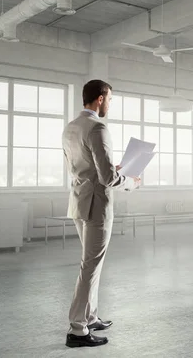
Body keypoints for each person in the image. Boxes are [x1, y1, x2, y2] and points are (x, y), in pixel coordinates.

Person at [62, 79, 140, 348]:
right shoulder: (98, 127)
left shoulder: (71, 128)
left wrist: (113, 170)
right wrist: (130, 181)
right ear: (99, 98)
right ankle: (77, 329)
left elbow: (84, 167)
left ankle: (90, 316)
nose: (110, 104)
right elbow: (107, 178)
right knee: (90, 266)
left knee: (91, 265)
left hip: (78, 202)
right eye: (110, 99)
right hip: (96, 205)